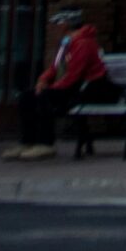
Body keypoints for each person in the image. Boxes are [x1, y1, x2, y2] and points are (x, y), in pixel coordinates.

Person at [7, 8, 118, 160]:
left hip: (88, 88)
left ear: (66, 25)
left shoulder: (84, 43)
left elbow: (74, 74)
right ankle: (28, 141)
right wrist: (43, 80)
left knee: (44, 98)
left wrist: (52, 88)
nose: (53, 27)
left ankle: (45, 143)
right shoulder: (66, 43)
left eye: (57, 23)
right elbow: (56, 66)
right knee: (26, 97)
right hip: (71, 87)